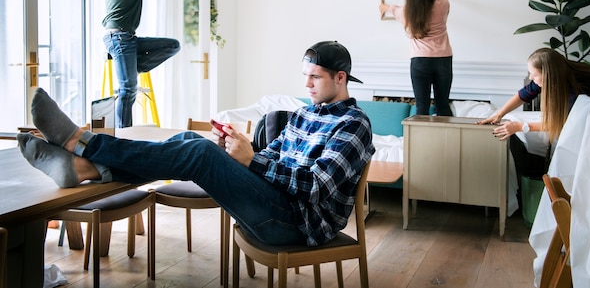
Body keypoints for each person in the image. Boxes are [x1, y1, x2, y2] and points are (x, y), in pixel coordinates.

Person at [18, 40, 375, 247]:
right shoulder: (303, 114)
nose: (308, 85)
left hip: (296, 224)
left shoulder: (354, 125)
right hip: (274, 204)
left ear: (340, 78)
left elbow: (313, 187)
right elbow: (268, 157)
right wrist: (236, 150)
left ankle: (84, 147)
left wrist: (251, 162)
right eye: (305, 77)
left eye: (315, 77)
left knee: (200, 152)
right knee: (194, 140)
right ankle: (86, 165)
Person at [95, 0, 180, 128]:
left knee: (173, 45)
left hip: (122, 38)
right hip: (121, 39)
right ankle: (124, 137)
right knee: (127, 90)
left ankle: (134, 68)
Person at [479, 47, 590, 143]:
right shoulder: (553, 74)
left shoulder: (574, 91)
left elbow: (561, 122)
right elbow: (524, 95)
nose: (531, 78)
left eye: (534, 74)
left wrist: (519, 126)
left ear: (548, 75)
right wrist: (500, 113)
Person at [379, 0, 453, 116]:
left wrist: (383, 7)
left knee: (422, 107)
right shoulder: (442, 4)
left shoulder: (406, 12)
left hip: (420, 61)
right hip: (443, 59)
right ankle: (448, 138)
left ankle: (421, 138)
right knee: (442, 105)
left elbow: (392, 8)